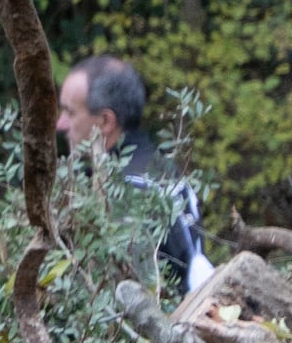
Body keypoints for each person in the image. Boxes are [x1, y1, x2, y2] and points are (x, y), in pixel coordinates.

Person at [55, 52, 207, 302]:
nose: (60, 124)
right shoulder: (161, 167)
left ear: (105, 121)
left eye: (70, 113)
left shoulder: (125, 192)